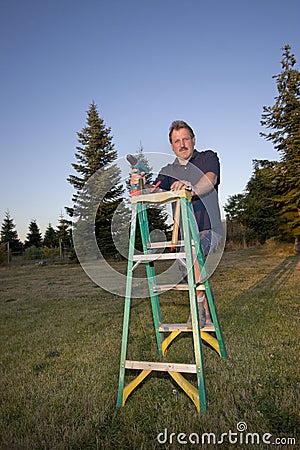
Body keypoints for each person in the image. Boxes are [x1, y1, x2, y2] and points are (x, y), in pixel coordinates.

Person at [130, 120, 223, 327]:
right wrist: (139, 183)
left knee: (193, 252)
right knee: (191, 273)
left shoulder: (208, 157)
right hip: (183, 236)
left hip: (209, 229)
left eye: (185, 139)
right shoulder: (168, 170)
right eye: (176, 141)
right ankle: (207, 317)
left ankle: (197, 307)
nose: (182, 144)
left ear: (193, 140)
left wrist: (191, 188)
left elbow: (210, 179)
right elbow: (153, 192)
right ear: (171, 146)